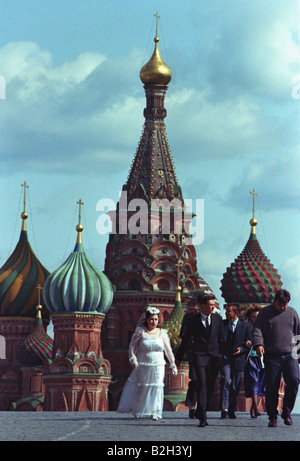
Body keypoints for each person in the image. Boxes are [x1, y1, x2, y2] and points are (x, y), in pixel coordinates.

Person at [117, 307, 178, 420]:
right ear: (146, 319)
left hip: (158, 364)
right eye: (151, 319)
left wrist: (173, 364)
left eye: (155, 319)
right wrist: (133, 359)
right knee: (142, 386)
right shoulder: (141, 332)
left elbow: (168, 350)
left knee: (156, 386)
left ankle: (154, 411)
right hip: (143, 363)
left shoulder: (162, 333)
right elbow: (132, 347)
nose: (153, 322)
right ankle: (139, 409)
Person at [253, 289, 300, 427]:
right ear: (275, 301)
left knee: (294, 380)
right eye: (281, 305)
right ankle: (272, 416)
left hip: (290, 354)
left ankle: (286, 412)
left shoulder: (292, 313)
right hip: (272, 355)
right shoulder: (265, 312)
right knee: (272, 385)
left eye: (285, 304)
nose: (283, 307)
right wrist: (259, 344)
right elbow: (257, 330)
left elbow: (298, 334)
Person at [176, 293, 224, 427]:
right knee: (201, 384)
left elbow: (222, 339)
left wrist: (224, 356)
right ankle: (203, 417)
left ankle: (200, 410)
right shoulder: (192, 320)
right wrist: (178, 357)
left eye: (214, 305)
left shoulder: (218, 319)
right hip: (199, 356)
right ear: (202, 306)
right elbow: (185, 340)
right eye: (210, 305)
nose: (213, 307)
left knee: (209, 387)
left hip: (214, 358)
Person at [219, 303, 252, 419]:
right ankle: (224, 409)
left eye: (229, 311)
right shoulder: (222, 325)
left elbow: (250, 343)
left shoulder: (246, 326)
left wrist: (242, 349)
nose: (226, 313)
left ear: (235, 313)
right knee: (226, 381)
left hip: (238, 360)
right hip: (225, 359)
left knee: (235, 385)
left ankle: (232, 409)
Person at [243, 305, 266, 418]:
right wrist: (246, 343)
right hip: (251, 358)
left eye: (257, 316)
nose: (255, 319)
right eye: (253, 317)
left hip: (262, 359)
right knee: (254, 381)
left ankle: (253, 407)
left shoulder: (265, 328)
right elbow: (241, 339)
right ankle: (256, 408)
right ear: (250, 318)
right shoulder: (247, 327)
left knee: (260, 382)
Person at [179, 306, 199, 419]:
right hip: (194, 353)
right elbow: (183, 334)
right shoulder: (189, 317)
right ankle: (192, 406)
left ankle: (201, 407)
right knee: (195, 380)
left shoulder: (214, 317)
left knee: (205, 382)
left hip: (208, 355)